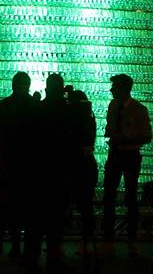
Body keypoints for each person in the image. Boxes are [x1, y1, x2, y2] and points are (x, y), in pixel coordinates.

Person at [24, 73, 75, 273]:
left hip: (39, 172)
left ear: (46, 89)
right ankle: (54, 257)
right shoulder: (68, 111)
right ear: (61, 90)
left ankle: (31, 256)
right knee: (56, 219)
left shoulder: (38, 109)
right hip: (60, 171)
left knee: (36, 218)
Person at [101, 73, 152, 256]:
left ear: (124, 89)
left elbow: (147, 136)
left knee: (130, 197)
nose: (112, 90)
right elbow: (110, 126)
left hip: (131, 154)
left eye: (115, 87)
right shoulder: (113, 106)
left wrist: (128, 138)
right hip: (114, 153)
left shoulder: (139, 109)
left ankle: (131, 239)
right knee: (108, 196)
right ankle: (108, 238)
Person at [0, 71, 39, 258]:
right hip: (27, 162)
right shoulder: (33, 105)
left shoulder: (3, 105)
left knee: (5, 202)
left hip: (9, 159)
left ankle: (1, 240)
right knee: (25, 203)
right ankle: (21, 245)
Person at [65, 87, 98, 256]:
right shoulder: (89, 116)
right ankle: (87, 244)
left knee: (64, 204)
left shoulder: (70, 117)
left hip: (72, 165)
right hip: (87, 164)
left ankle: (57, 246)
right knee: (86, 206)